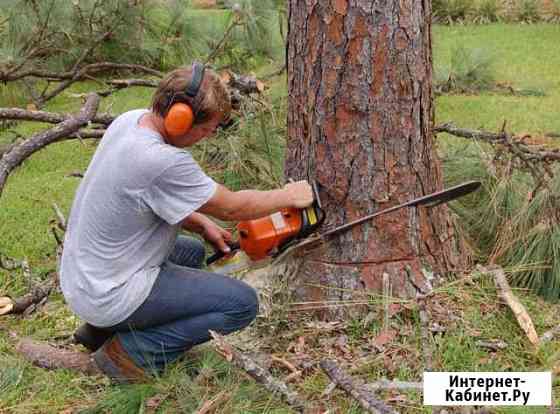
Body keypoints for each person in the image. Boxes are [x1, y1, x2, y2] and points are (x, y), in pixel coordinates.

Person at [57, 62, 313, 382]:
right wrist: (288, 195)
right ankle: (133, 353)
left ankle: (100, 329)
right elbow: (233, 208)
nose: (205, 137)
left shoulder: (130, 121)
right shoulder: (161, 160)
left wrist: (198, 222)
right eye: (205, 130)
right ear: (181, 121)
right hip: (109, 292)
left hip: (84, 277)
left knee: (192, 252)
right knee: (241, 304)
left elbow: (142, 195)